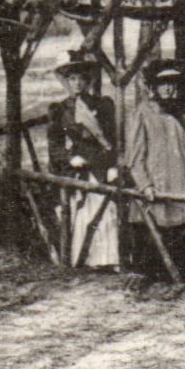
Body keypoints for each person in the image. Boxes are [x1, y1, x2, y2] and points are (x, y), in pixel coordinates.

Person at [121, 59, 185, 282]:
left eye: (172, 83)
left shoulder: (184, 112)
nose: (168, 88)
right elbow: (134, 156)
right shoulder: (143, 113)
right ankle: (156, 278)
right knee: (156, 229)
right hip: (157, 183)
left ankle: (183, 277)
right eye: (162, 83)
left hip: (182, 182)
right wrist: (144, 184)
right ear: (153, 87)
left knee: (183, 230)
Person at [47, 51, 120, 269]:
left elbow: (113, 139)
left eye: (81, 78)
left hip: (101, 166)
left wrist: (113, 164)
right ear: (66, 82)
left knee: (107, 211)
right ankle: (84, 259)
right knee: (80, 213)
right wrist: (70, 158)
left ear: (87, 81)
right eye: (72, 79)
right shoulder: (59, 110)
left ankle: (108, 259)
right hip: (77, 167)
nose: (77, 83)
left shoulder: (103, 105)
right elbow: (54, 146)